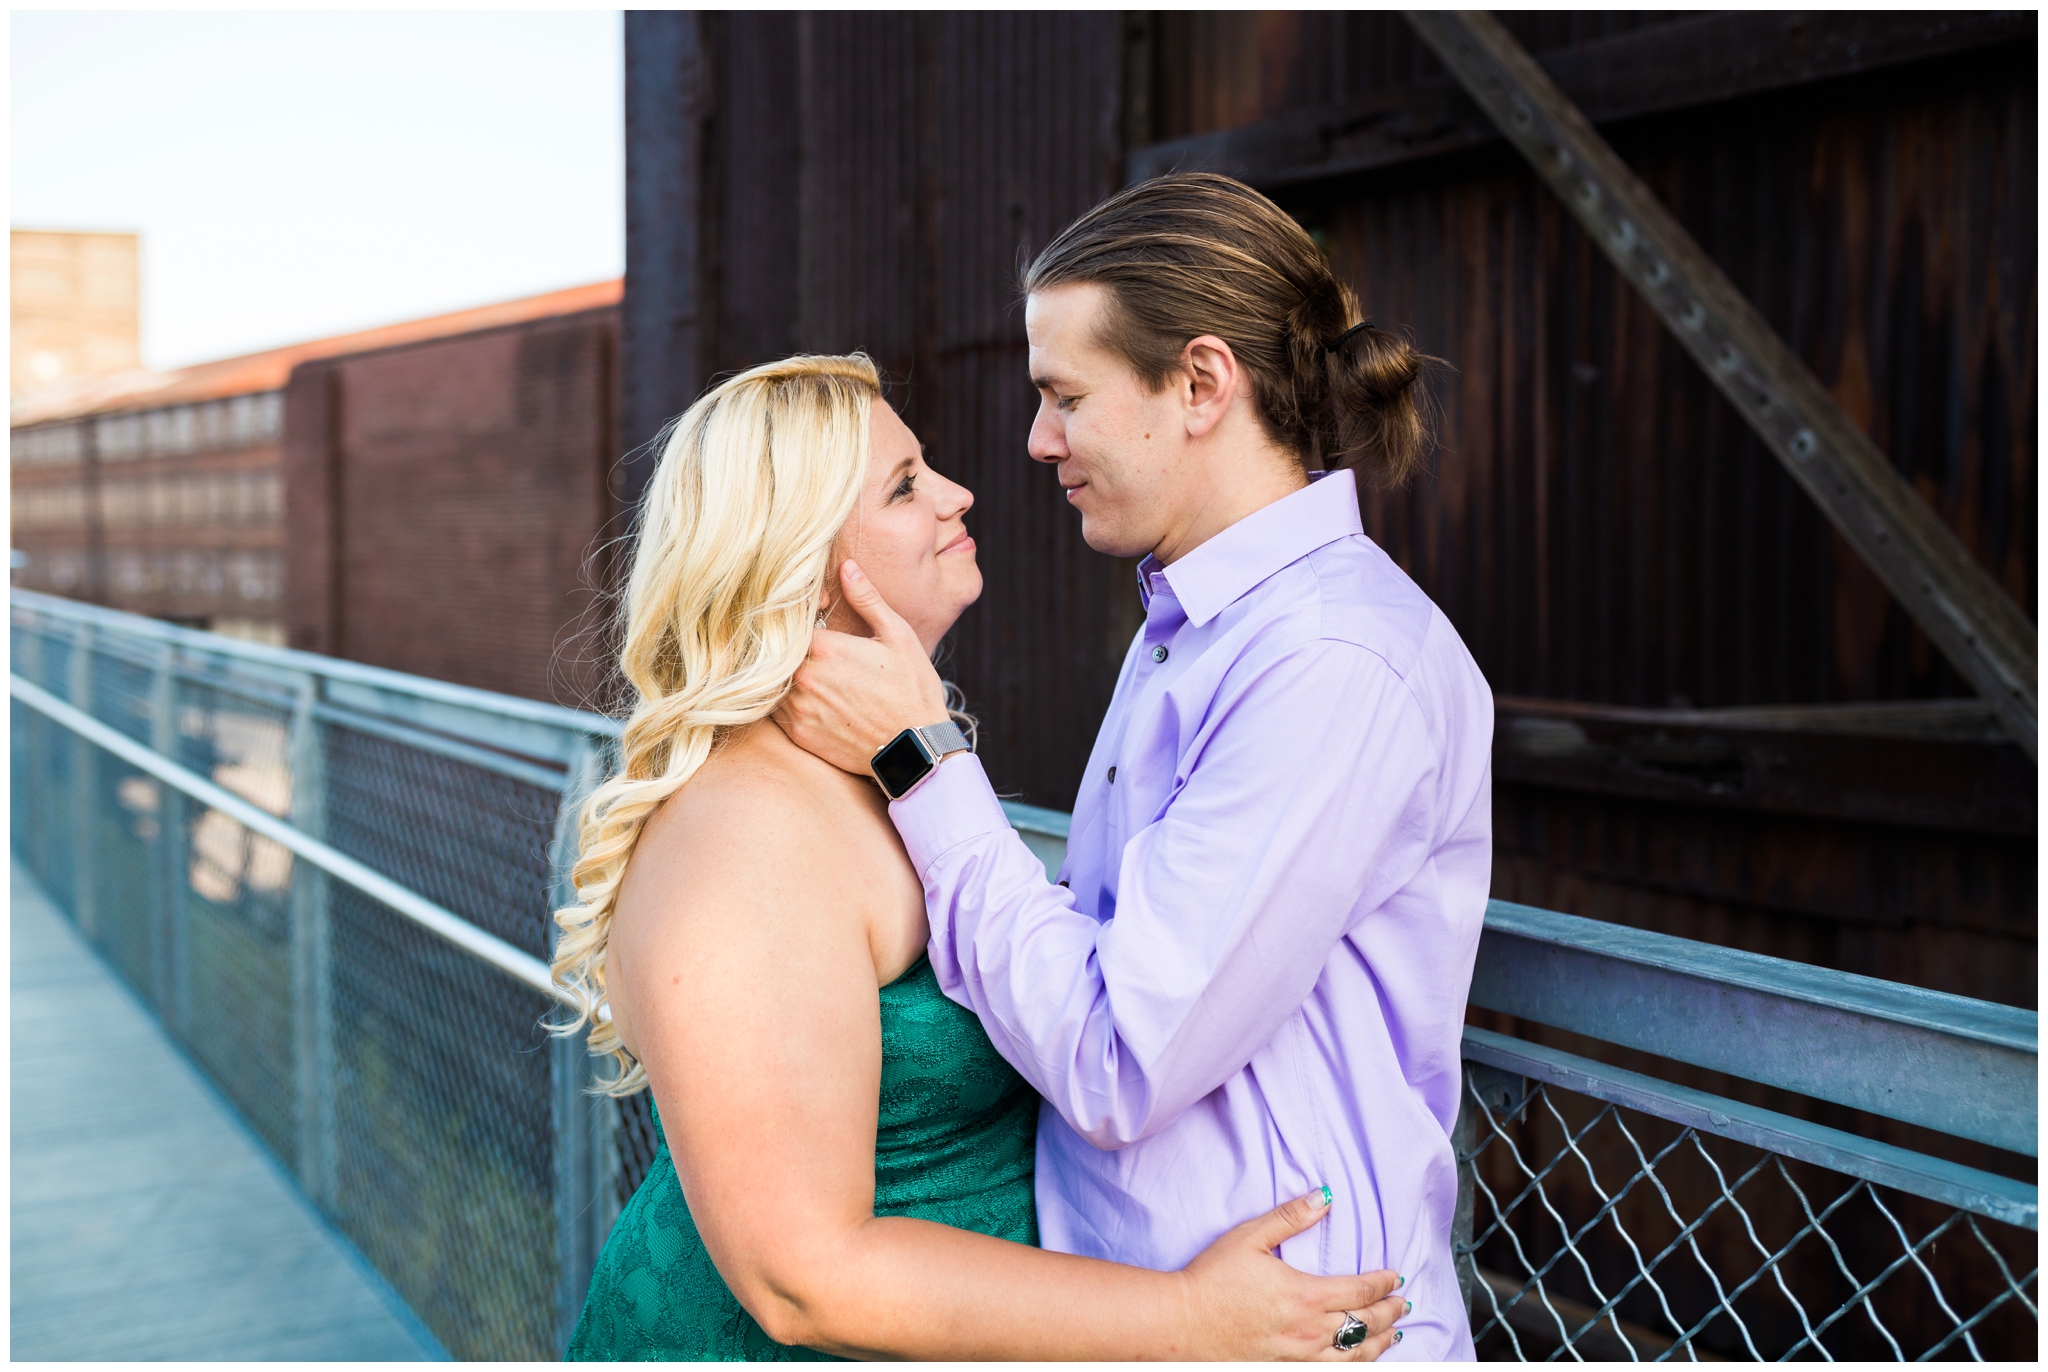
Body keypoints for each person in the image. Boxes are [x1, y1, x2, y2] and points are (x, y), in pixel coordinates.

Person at [551, 352, 1411, 1360]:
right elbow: (798, 1276)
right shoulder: (744, 831)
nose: (960, 494)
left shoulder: (877, 769)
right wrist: (1191, 1317)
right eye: (907, 485)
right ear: (800, 557)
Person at [775, 174, 1494, 1360]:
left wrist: (921, 760)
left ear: (1201, 383)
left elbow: (1116, 1058)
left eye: (1064, 395)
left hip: (1290, 1336)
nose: (1035, 439)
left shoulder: (1331, 662)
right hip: (1158, 1321)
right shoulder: (1196, 624)